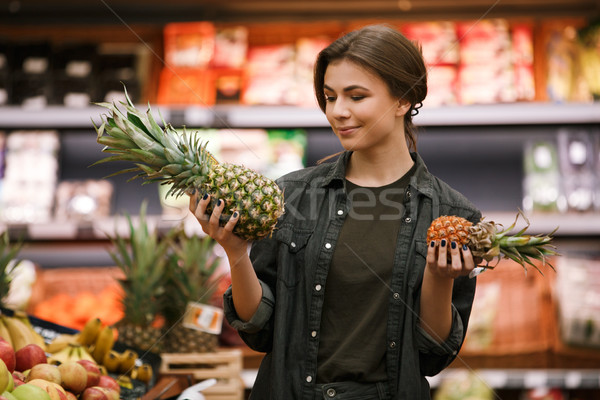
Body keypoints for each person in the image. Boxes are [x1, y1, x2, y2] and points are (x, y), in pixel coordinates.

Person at [189, 24, 481, 400]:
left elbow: (433, 356)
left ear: (403, 99)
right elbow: (259, 330)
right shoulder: (291, 195)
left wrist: (439, 279)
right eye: (329, 97)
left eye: (356, 96)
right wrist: (236, 253)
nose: (338, 111)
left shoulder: (452, 216)